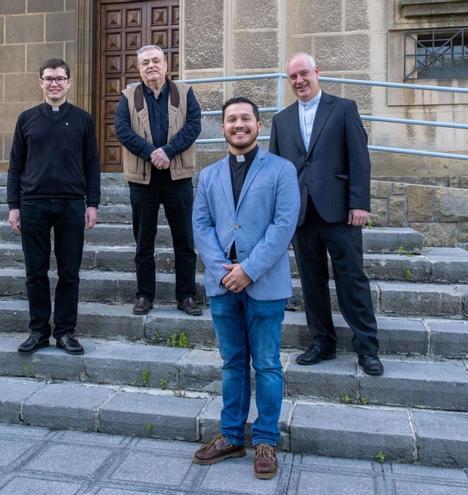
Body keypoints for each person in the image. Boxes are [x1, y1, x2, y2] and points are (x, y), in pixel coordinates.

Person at [192, 97, 299, 479]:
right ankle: (232, 435)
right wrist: (225, 270)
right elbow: (201, 227)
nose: (239, 125)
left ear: (258, 124)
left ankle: (266, 439)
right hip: (222, 285)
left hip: (265, 284)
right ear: (222, 127)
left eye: (246, 119)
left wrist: (249, 270)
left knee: (267, 364)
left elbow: (284, 224)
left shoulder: (282, 170)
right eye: (231, 119)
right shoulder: (208, 176)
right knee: (233, 363)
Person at [268, 53, 383, 376]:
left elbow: (359, 158)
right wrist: (280, 213)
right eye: (293, 77)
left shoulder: (343, 108)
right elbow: (276, 170)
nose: (299, 81)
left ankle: (367, 349)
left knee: (352, 280)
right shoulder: (281, 120)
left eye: (304, 73)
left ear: (317, 72)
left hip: (340, 213)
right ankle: (323, 343)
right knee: (311, 282)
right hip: (301, 215)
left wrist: (359, 203)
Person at [7, 58, 100, 356]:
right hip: (32, 203)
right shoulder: (26, 118)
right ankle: (38, 330)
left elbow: (92, 164)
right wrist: (14, 205)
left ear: (69, 82)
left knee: (69, 272)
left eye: (60, 78)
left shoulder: (83, 119)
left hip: (71, 203)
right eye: (49, 78)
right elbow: (15, 165)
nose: (54, 83)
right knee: (35, 271)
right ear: (41, 83)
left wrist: (92, 203)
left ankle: (65, 331)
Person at [114, 44, 202, 317]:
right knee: (144, 241)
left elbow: (193, 126)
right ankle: (144, 295)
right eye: (145, 63)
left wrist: (169, 151)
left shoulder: (185, 93)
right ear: (138, 68)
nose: (151, 66)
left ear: (166, 64)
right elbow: (122, 130)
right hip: (143, 179)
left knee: (185, 240)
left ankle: (186, 296)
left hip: (178, 177)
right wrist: (151, 152)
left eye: (155, 61)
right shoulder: (128, 97)